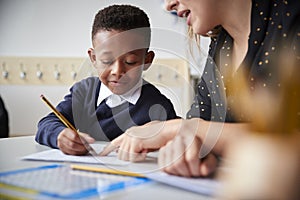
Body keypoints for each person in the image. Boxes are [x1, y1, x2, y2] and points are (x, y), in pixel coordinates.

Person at [100, 0, 300, 177]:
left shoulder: (292, 17)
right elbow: (202, 129)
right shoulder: (221, 46)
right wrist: (199, 151)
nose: (168, 4)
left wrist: (177, 128)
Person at [35, 4, 178, 155]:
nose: (117, 71)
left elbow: (175, 144)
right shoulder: (84, 92)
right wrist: (60, 136)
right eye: (107, 61)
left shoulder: (158, 105)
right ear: (94, 58)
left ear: (147, 61)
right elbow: (46, 124)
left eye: (130, 62)